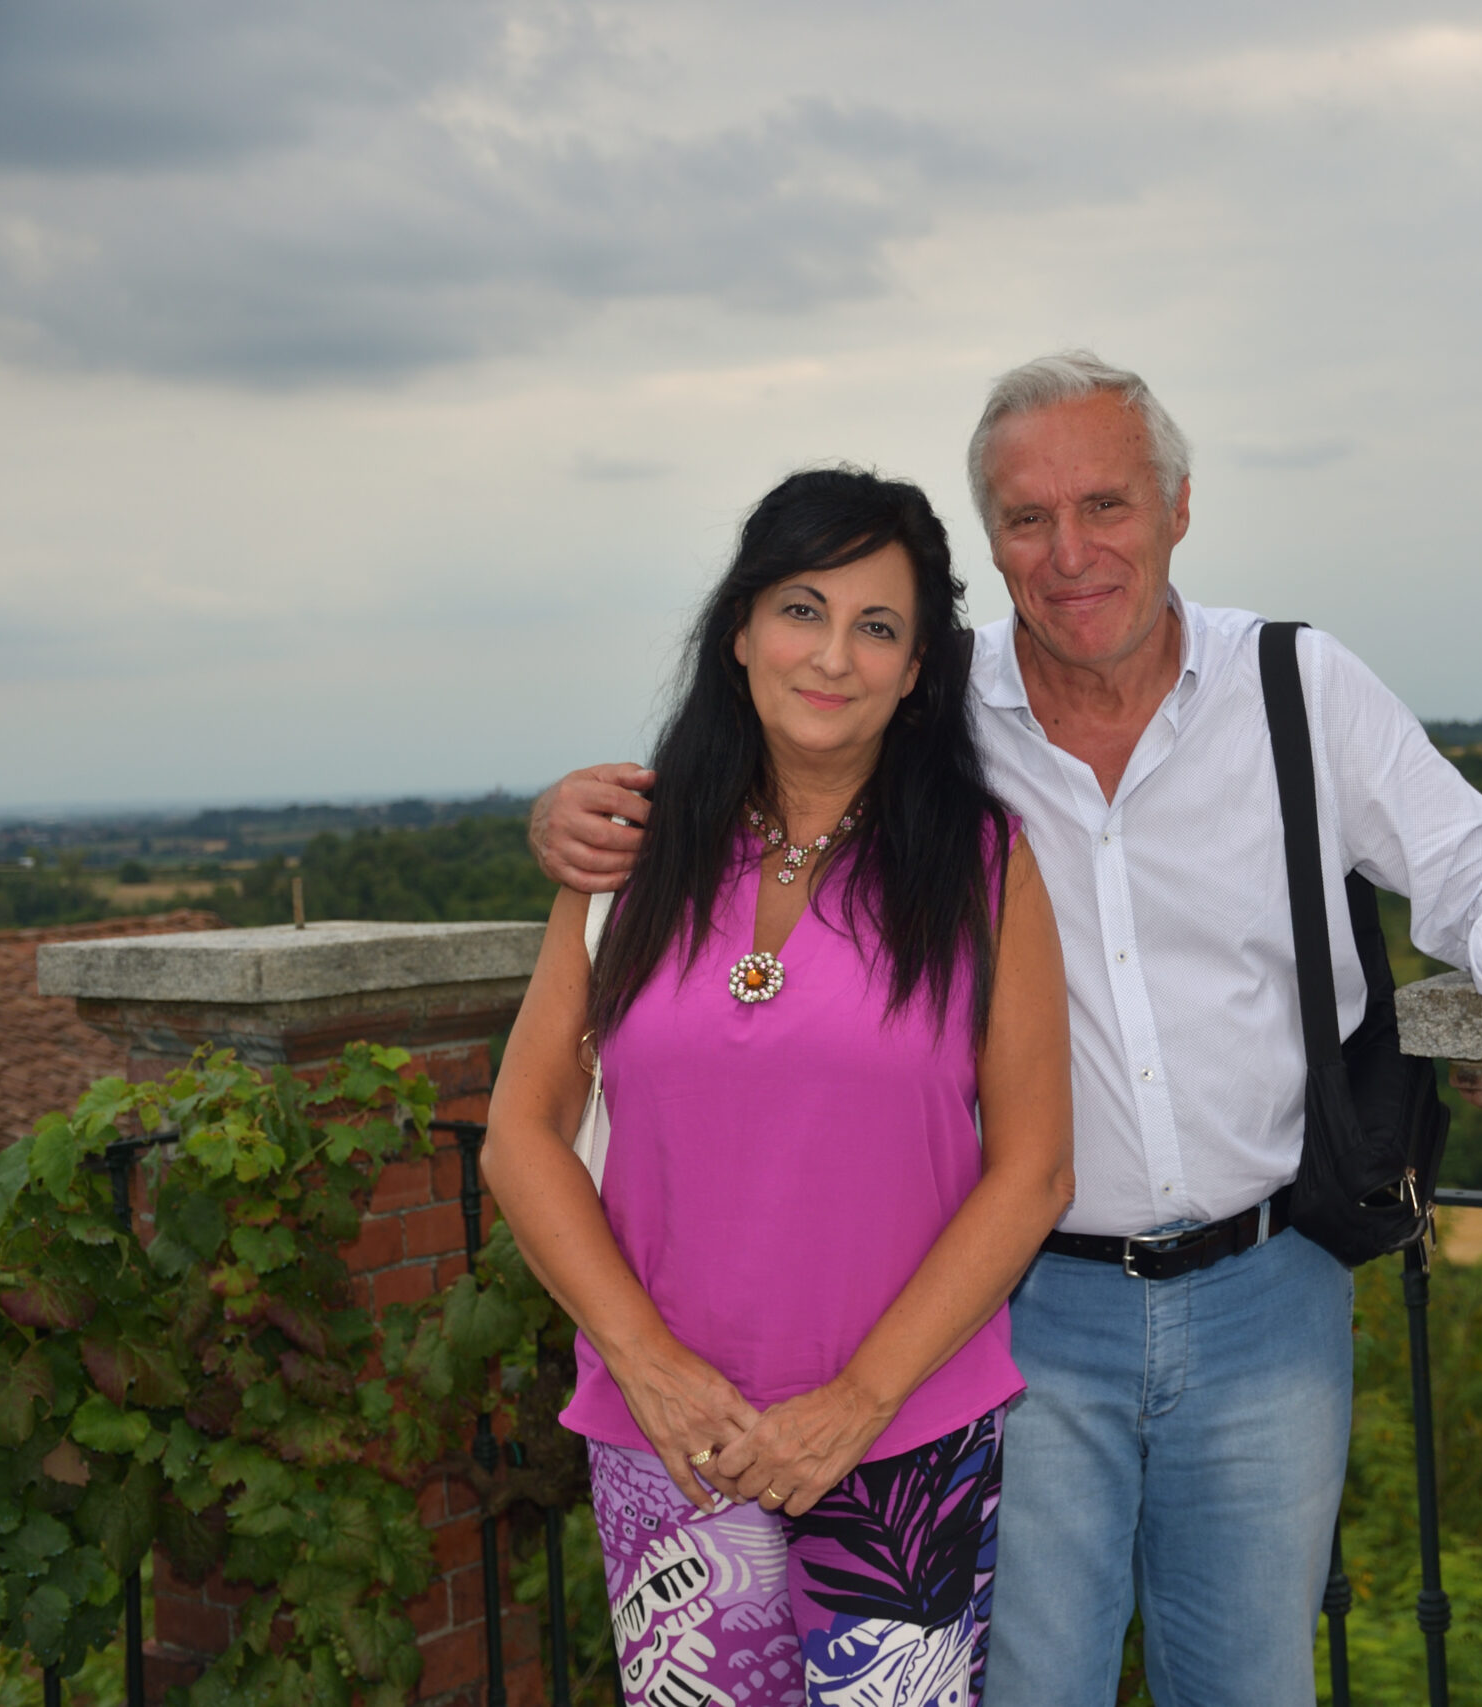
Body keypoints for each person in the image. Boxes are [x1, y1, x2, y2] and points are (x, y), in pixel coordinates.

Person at [531, 354, 1482, 1707]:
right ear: (992, 544)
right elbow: (767, 767)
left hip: (1266, 1294)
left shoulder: (1296, 688)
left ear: (1178, 507)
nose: (1070, 552)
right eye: (1028, 518)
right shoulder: (928, 703)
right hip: (1024, 1311)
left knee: (1247, 1684)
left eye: (1106, 505)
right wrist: (574, 819)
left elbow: (1472, 865)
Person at [486, 466, 1075, 1706]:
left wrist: (859, 1402)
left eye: (879, 627)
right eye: (803, 609)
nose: (834, 656)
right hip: (669, 1442)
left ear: (917, 672)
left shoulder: (982, 866)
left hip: (901, 1445)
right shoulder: (628, 857)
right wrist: (645, 1363)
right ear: (741, 630)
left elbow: (1033, 1170)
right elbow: (522, 1136)